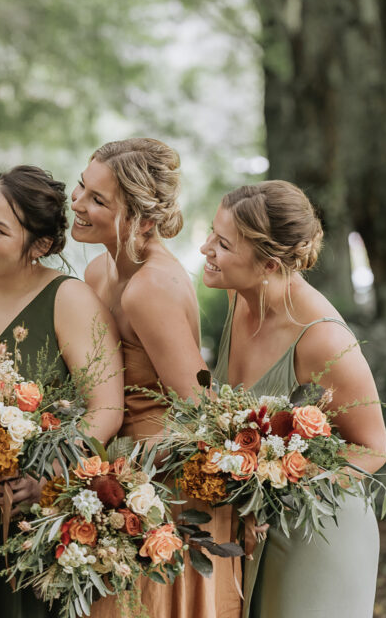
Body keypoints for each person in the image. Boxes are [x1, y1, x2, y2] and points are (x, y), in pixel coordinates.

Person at [69, 138, 241, 617]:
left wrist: (135, 486)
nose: (78, 204)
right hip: (113, 478)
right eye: (82, 187)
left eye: (98, 200)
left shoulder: (150, 289)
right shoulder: (98, 271)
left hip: (165, 492)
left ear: (141, 219)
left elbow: (200, 414)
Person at [201, 180, 386, 618]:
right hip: (253, 526)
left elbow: (374, 446)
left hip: (317, 532)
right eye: (212, 232)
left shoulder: (321, 338)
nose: (206, 247)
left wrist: (286, 491)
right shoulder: (236, 297)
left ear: (268, 264)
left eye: (223, 243)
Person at [0, 165, 124, 618]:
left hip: (38, 515)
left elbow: (107, 407)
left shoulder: (70, 299)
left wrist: (47, 477)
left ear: (40, 245)